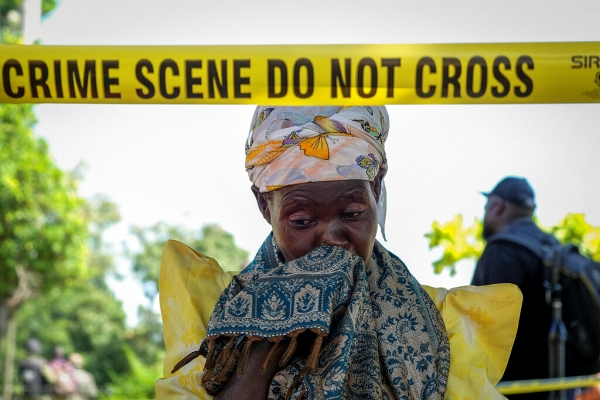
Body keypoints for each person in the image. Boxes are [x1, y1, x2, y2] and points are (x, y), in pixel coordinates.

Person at [156, 106, 523, 400]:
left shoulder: (447, 325)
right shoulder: (214, 313)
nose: (331, 238)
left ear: (376, 190)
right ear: (265, 207)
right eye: (301, 220)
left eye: (351, 214)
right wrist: (257, 356)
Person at [471, 176, 557, 399]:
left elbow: (483, 330)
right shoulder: (552, 249)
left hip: (512, 390)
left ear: (497, 206)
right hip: (560, 387)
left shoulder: (502, 250)